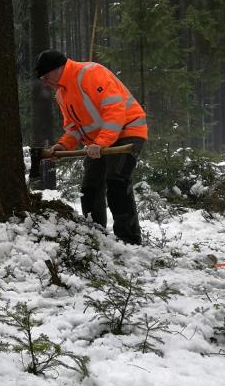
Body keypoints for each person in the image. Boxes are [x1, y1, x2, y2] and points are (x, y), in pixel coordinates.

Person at [36, 49, 148, 245]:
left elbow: (115, 109)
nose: (45, 82)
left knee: (116, 181)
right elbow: (74, 128)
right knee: (90, 189)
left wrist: (100, 142)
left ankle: (129, 241)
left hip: (127, 131)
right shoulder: (62, 94)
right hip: (98, 143)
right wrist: (63, 145)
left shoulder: (90, 73)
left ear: (57, 69)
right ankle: (96, 236)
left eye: (45, 76)